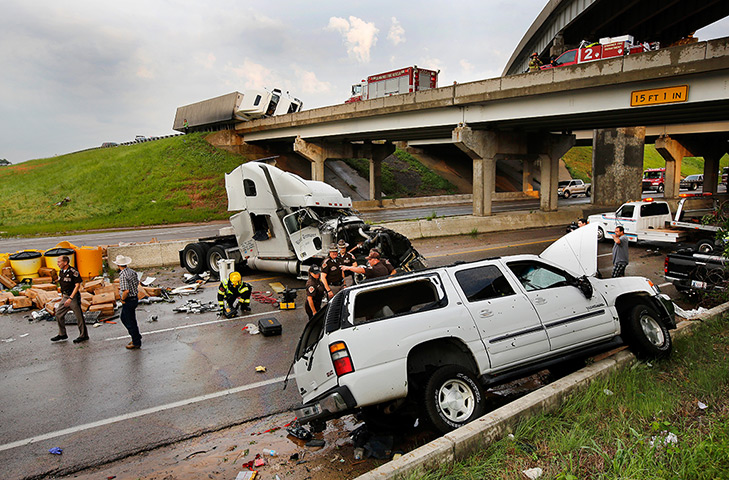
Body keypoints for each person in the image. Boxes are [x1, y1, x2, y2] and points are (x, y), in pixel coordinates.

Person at [51, 255, 88, 343]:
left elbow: (77, 285)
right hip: (65, 296)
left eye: (59, 262)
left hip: (73, 296)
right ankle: (62, 334)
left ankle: (83, 335)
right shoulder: (61, 272)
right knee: (59, 314)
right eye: (57, 262)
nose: (58, 263)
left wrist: (71, 298)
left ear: (65, 262)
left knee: (78, 316)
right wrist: (63, 297)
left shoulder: (73, 271)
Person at [115, 255, 142, 350]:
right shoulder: (132, 272)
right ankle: (136, 336)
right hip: (134, 298)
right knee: (128, 319)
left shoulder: (123, 275)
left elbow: (126, 291)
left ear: (118, 265)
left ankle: (136, 340)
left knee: (129, 321)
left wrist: (122, 299)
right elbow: (137, 282)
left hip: (129, 299)